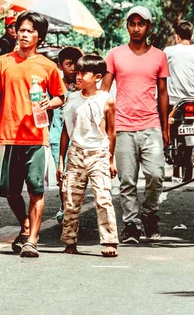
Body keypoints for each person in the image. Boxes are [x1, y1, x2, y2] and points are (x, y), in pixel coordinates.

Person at [0, 11, 66, 258]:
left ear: (40, 36)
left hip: (37, 137)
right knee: (11, 192)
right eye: (21, 29)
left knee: (37, 191)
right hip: (9, 135)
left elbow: (60, 96)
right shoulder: (2, 63)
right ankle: (24, 223)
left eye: (30, 31)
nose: (24, 34)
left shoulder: (48, 66)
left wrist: (50, 102)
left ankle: (32, 239)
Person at [101, 6, 170, 244]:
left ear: (149, 27)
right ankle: (130, 224)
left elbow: (163, 93)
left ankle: (149, 213)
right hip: (122, 126)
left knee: (156, 175)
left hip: (150, 124)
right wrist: (102, 124)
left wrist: (165, 127)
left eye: (141, 24)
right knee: (127, 180)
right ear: (127, 26)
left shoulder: (159, 56)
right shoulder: (115, 55)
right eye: (132, 24)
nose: (136, 28)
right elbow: (104, 90)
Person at [58, 55, 119, 257]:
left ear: (98, 76)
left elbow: (111, 132)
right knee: (71, 200)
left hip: (99, 153)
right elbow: (66, 131)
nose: (79, 76)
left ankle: (109, 240)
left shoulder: (105, 100)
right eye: (78, 72)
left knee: (103, 198)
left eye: (84, 72)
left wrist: (111, 159)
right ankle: (69, 240)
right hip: (75, 154)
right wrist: (61, 161)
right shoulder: (72, 98)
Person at [49, 47, 83, 224]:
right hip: (57, 137)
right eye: (69, 64)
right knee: (62, 177)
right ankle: (65, 208)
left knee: (76, 179)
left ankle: (72, 209)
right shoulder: (55, 86)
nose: (73, 68)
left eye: (76, 65)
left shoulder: (84, 85)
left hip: (80, 140)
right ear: (60, 66)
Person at [164, 20, 194, 110]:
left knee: (167, 122)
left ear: (177, 37)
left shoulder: (168, 52)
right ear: (192, 37)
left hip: (173, 100)